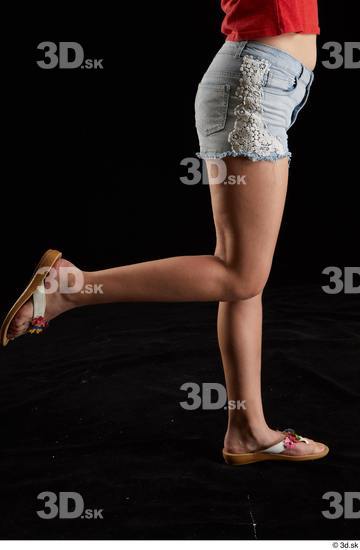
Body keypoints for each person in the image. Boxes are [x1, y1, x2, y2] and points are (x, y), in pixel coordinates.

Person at [0, 0, 329, 465]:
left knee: (243, 278)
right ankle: (70, 289)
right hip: (256, 82)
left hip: (270, 81)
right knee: (242, 274)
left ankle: (247, 431)